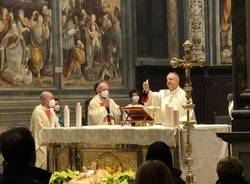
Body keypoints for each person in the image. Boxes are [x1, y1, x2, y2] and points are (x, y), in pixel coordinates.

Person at [30, 91, 58, 169]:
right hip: (42, 144)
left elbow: (56, 124)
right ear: (44, 100)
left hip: (52, 142)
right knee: (42, 164)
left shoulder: (51, 111)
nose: (53, 101)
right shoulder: (37, 111)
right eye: (51, 98)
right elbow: (39, 128)